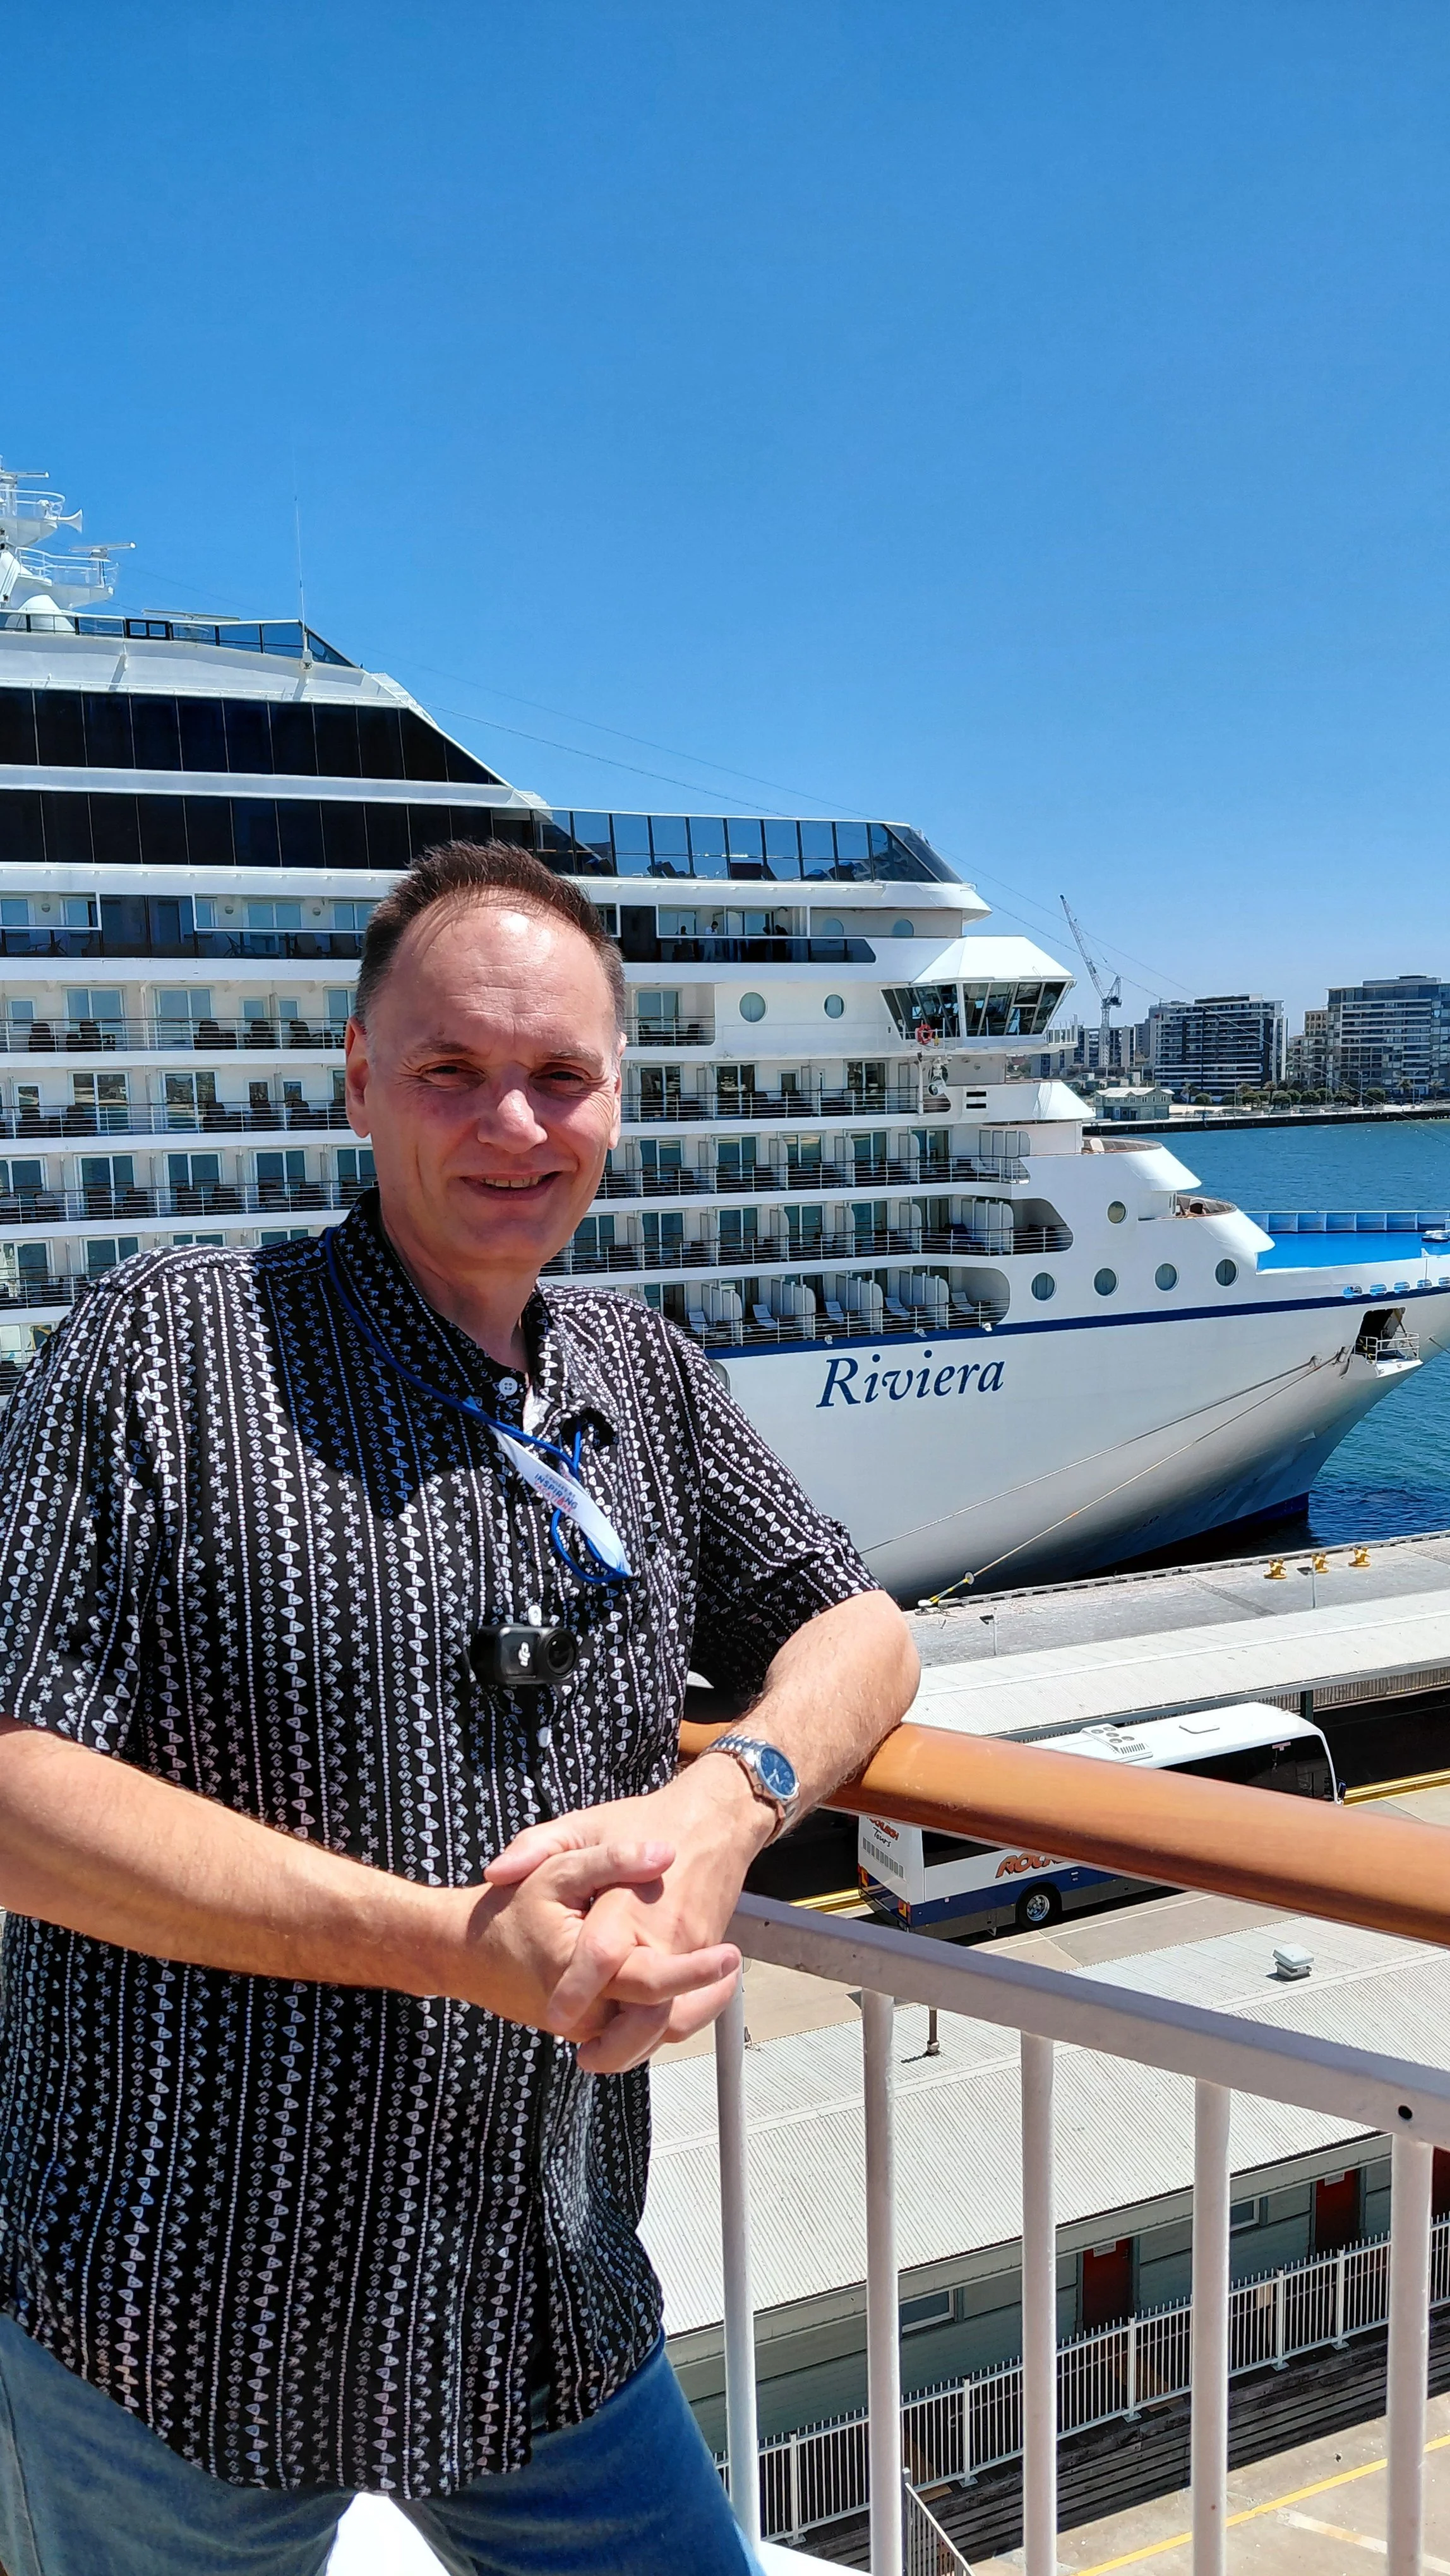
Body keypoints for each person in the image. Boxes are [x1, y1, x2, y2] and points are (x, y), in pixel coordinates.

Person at [0, 840, 917, 2576]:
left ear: (617, 1100)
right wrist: (450, 1944)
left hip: (539, 2311)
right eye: (454, 1072)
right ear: (359, 1079)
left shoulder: (643, 1378)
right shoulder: (162, 1354)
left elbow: (862, 1630)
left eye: (560, 1077)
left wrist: (726, 1812)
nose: (516, 1125)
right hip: (176, 2323)